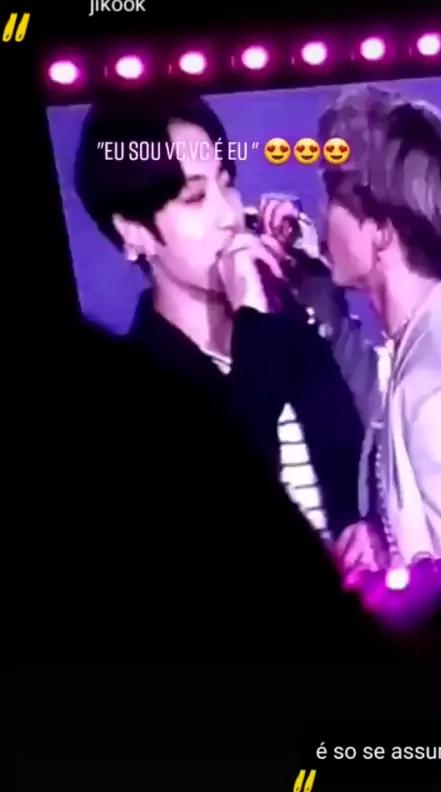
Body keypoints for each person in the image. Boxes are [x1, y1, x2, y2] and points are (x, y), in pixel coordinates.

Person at [74, 87, 364, 544]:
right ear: (133, 231)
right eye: (195, 197)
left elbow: (360, 482)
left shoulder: (297, 342)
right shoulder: (135, 388)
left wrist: (364, 532)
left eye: (226, 183)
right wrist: (252, 324)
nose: (228, 215)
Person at [296, 84, 441, 571]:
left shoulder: (434, 395)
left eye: (331, 196)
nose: (321, 215)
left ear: (379, 229)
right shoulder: (432, 346)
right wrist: (388, 544)